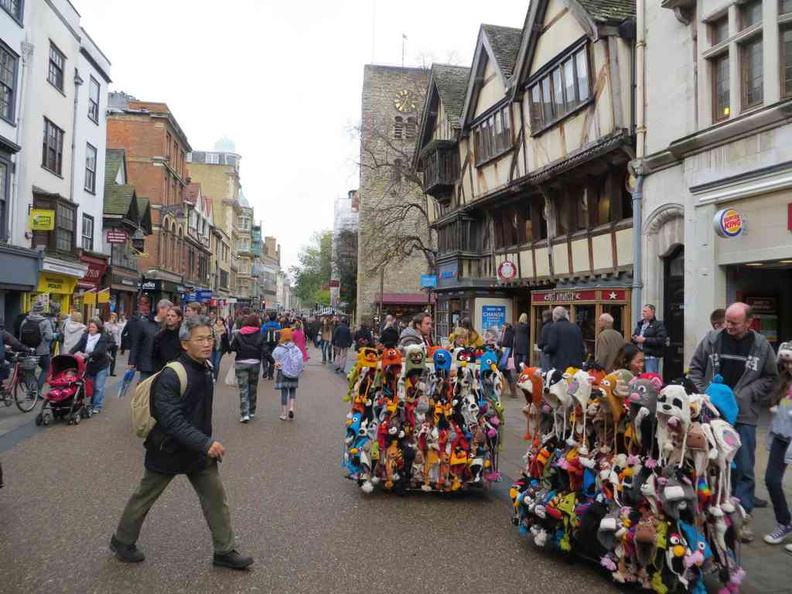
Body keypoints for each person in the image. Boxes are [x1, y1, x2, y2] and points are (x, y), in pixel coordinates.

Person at [110, 316, 252, 569]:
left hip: (198, 451)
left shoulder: (206, 368)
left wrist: (202, 443)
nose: (207, 343)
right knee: (144, 496)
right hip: (168, 449)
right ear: (185, 344)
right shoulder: (172, 374)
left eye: (210, 338)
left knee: (216, 499)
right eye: (200, 339)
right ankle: (122, 541)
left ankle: (224, 551)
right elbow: (171, 420)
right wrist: (205, 442)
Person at [688, 302, 778, 543]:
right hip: (712, 414)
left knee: (744, 468)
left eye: (734, 323)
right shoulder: (712, 339)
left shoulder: (761, 346)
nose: (728, 326)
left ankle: (742, 517)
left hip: (744, 416)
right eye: (727, 320)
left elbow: (771, 378)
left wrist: (745, 395)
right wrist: (707, 391)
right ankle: (709, 513)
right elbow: (695, 368)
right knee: (709, 465)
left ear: (749, 323)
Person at [763, 342, 792, 547]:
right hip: (782, 437)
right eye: (787, 362)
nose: (789, 366)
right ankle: (785, 523)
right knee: (772, 480)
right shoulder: (785, 382)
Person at [70, 318, 111, 414]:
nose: (91, 328)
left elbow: (100, 350)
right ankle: (92, 404)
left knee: (98, 387)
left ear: (98, 328)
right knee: (91, 386)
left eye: (93, 327)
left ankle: (97, 406)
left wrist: (89, 355)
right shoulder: (85, 336)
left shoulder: (103, 337)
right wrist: (70, 353)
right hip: (89, 364)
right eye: (90, 326)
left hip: (101, 364)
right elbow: (78, 345)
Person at [230, 314, 266, 423]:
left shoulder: (238, 333)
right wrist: (273, 362)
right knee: (253, 388)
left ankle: (244, 414)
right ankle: (251, 411)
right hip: (255, 363)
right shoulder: (260, 334)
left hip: (241, 362)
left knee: (243, 389)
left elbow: (232, 348)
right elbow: (265, 350)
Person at [129, 298, 173, 381]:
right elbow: (136, 343)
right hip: (147, 363)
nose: (170, 314)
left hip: (163, 364)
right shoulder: (144, 324)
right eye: (168, 311)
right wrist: (132, 361)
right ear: (161, 309)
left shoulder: (169, 325)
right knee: (145, 388)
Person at [20, 302, 54, 390]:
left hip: (28, 350)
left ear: (33, 310)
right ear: (42, 310)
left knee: (29, 372)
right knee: (46, 369)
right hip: (42, 351)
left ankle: (31, 391)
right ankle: (37, 390)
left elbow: (21, 336)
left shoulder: (25, 320)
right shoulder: (45, 322)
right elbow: (49, 337)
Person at [272, 328, 304, 421]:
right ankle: (292, 408)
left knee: (284, 392)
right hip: (293, 372)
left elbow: (274, 359)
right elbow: (300, 360)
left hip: (283, 372)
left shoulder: (278, 348)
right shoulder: (295, 347)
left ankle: (283, 413)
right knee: (292, 390)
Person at [542, 307, 585, 371]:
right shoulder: (576, 327)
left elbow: (552, 346)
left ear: (554, 317)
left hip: (560, 365)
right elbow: (581, 347)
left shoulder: (554, 327)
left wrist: (545, 349)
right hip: (576, 366)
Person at [631, 304, 667, 375]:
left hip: (651, 357)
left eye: (645, 311)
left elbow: (661, 340)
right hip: (640, 356)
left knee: (650, 377)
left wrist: (645, 340)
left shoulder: (658, 325)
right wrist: (634, 338)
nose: (643, 313)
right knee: (639, 377)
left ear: (652, 312)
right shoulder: (640, 324)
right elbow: (634, 335)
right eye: (643, 311)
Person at [151, 307, 184, 373]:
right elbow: (154, 355)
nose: (169, 318)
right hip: (161, 371)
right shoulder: (159, 335)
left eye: (173, 316)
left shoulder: (183, 335)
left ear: (179, 318)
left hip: (179, 371)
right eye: (168, 315)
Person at [498, 322, 517, 398]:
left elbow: (505, 344)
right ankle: (513, 392)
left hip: (504, 356)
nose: (502, 328)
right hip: (507, 355)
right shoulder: (511, 332)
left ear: (505, 327)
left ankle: (511, 392)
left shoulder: (507, 333)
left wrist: (500, 343)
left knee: (504, 373)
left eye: (502, 326)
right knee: (507, 374)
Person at [260, 313, 282, 380]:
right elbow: (280, 335)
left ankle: (265, 369)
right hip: (274, 345)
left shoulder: (264, 326)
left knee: (265, 357)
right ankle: (270, 375)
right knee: (273, 358)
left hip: (265, 344)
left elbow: (261, 335)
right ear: (275, 318)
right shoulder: (278, 326)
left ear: (269, 318)